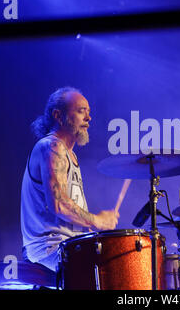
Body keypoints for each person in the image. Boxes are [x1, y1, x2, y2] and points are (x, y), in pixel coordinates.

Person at [20, 86, 119, 272]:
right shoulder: (51, 147)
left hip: (67, 246)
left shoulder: (69, 154)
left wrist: (90, 229)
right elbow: (59, 204)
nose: (88, 118)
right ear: (58, 115)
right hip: (49, 250)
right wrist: (96, 221)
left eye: (89, 113)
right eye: (82, 111)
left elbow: (68, 212)